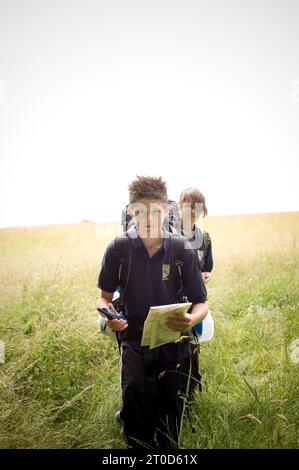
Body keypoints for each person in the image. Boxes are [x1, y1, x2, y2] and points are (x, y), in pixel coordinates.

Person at [96, 176, 208, 449]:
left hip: (172, 338)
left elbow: (202, 304)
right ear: (131, 211)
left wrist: (192, 318)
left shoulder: (182, 248)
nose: (148, 218)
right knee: (134, 395)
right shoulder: (118, 248)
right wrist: (110, 316)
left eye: (156, 211)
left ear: (166, 211)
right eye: (140, 211)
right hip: (132, 338)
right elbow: (103, 299)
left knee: (170, 408)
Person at [178, 187, 214, 398]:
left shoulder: (205, 238)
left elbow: (207, 267)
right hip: (172, 300)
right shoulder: (168, 234)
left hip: (196, 302)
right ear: (179, 206)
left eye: (196, 205)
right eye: (188, 204)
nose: (192, 210)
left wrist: (206, 275)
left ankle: (189, 392)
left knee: (192, 346)